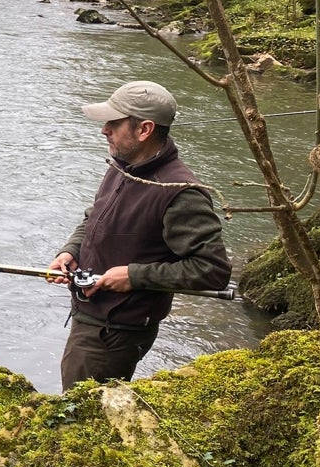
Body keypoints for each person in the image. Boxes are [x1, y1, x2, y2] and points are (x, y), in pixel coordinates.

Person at [48, 80, 231, 391]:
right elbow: (95, 218)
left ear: (144, 129)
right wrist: (71, 251)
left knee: (81, 422)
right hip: (92, 317)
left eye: (114, 123)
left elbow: (213, 270)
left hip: (114, 333)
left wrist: (134, 276)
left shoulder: (181, 193)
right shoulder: (122, 167)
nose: (104, 129)